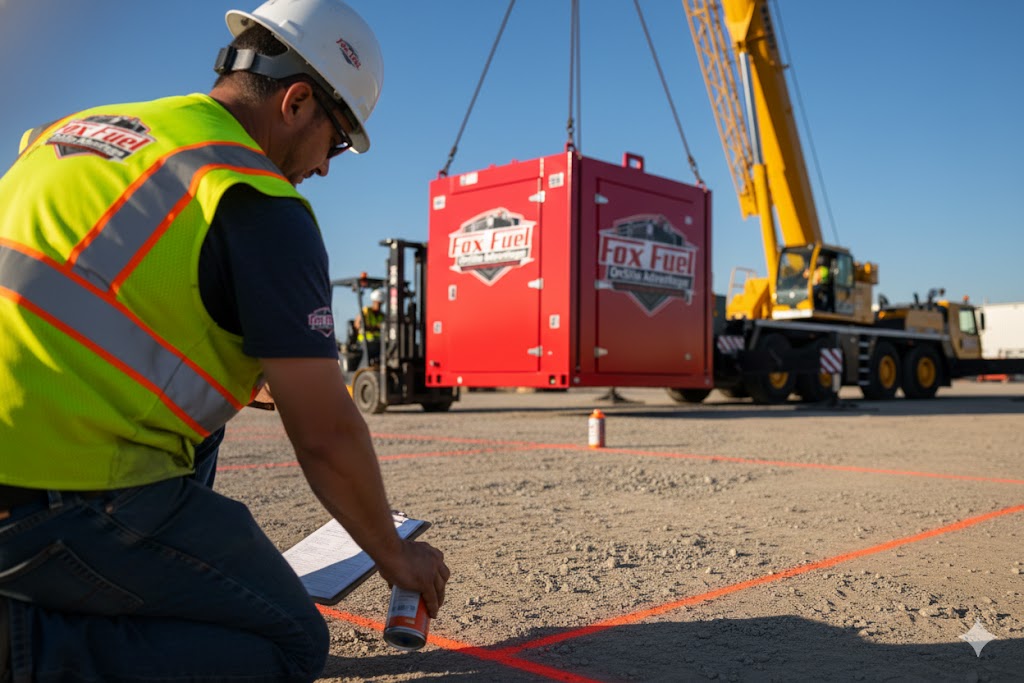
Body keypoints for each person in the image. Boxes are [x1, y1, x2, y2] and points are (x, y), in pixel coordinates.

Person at [0, 1, 449, 681]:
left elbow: (81, 294)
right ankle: (24, 646)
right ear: (297, 102)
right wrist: (395, 554)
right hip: (45, 498)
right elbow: (326, 433)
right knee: (289, 643)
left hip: (24, 453)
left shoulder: (80, 130)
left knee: (204, 432)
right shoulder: (255, 197)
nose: (326, 169)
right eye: (335, 143)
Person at [354, 288, 386, 363]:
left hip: (378, 341)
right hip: (364, 341)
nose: (379, 305)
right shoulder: (366, 311)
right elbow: (357, 325)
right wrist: (372, 328)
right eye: (378, 303)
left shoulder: (382, 315)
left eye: (381, 303)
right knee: (374, 348)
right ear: (373, 302)